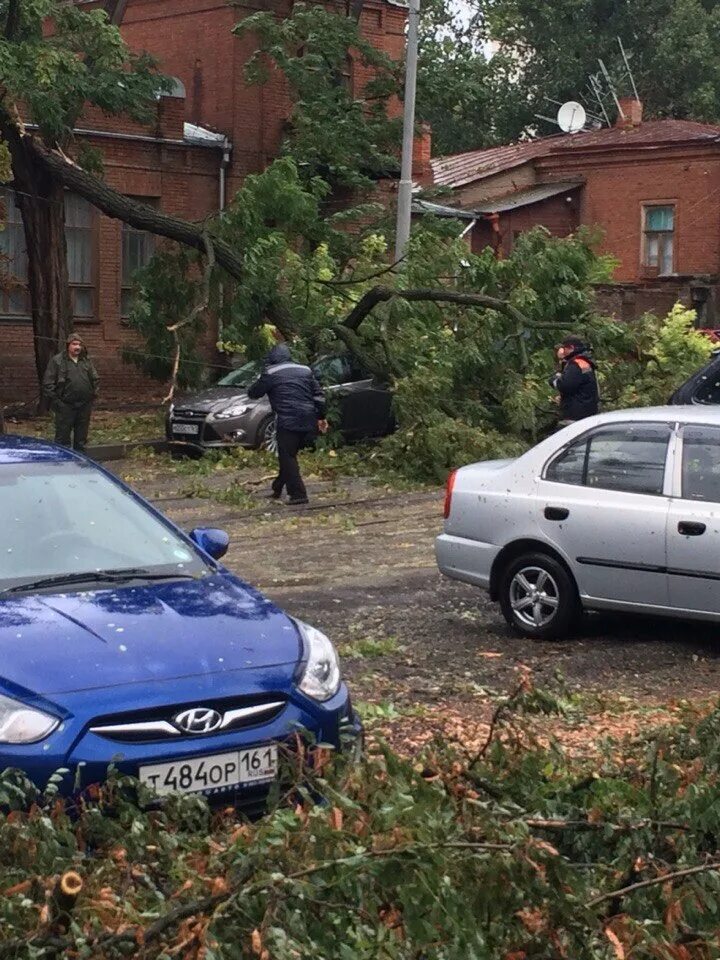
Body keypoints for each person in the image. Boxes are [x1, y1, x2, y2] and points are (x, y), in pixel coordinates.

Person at [247, 343, 328, 505]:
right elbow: (319, 396)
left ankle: (298, 494)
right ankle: (277, 487)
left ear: (272, 358)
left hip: (288, 421)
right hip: (309, 420)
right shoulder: (306, 370)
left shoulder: (270, 372)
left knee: (287, 456)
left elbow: (254, 393)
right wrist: (321, 417)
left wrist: (260, 379)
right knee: (289, 455)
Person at [43, 332, 99, 453]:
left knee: (81, 438)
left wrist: (92, 396)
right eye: (74, 344)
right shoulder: (57, 361)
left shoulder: (86, 361)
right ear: (68, 345)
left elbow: (95, 379)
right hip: (65, 406)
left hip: (84, 405)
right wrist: (57, 402)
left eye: (79, 344)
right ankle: (63, 464)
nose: (77, 347)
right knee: (62, 438)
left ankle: (80, 464)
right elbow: (48, 383)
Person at [549, 335, 599, 427]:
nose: (563, 351)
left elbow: (565, 385)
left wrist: (554, 380)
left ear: (571, 348)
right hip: (586, 411)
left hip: (575, 414)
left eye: (564, 348)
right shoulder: (583, 362)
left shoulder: (576, 364)